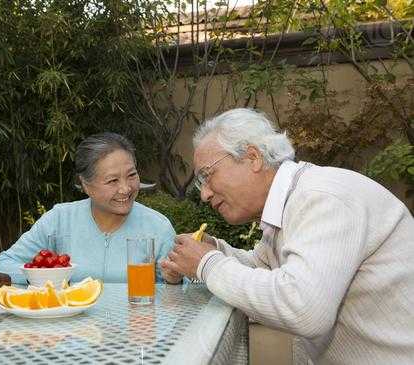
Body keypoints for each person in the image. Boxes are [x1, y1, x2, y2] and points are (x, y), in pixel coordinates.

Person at [161, 108, 414, 364]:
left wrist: (207, 264)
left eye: (207, 175)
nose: (204, 194)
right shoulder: (290, 202)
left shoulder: (322, 198)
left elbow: (304, 309)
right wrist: (215, 250)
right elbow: (263, 267)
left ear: (252, 157)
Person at [0, 132, 180, 284]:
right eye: (112, 180)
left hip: (138, 325)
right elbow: (3, 264)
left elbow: (184, 290)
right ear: (86, 185)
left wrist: (175, 279)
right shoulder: (59, 219)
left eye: (132, 175)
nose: (126, 188)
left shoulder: (158, 226)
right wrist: (44, 277)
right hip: (69, 325)